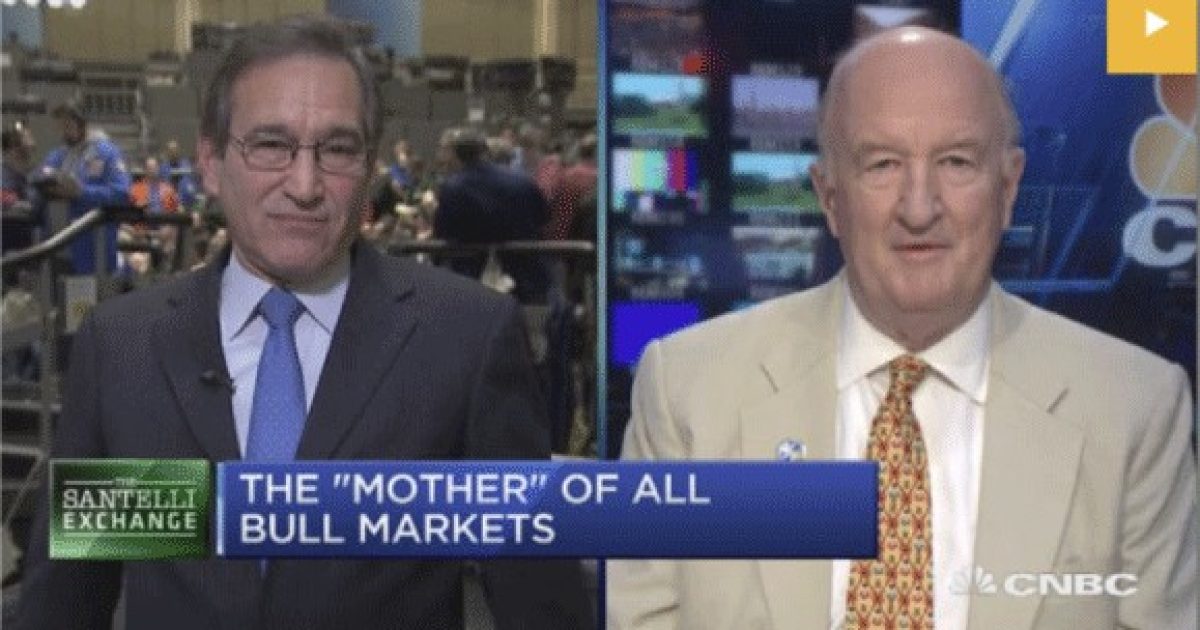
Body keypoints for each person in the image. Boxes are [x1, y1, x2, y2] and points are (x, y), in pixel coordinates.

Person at [607, 27, 1196, 630]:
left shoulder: (1135, 409)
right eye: (883, 164)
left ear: (1008, 188)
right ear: (829, 196)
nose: (919, 208)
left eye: (956, 162)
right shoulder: (687, 390)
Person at [16, 15, 591, 630]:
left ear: (368, 168)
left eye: (337, 149)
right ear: (210, 162)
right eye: (271, 145)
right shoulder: (122, 347)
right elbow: (66, 602)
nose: (305, 185)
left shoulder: (467, 339)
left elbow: (540, 604)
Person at [434, 126, 551, 302]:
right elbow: (543, 219)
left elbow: (443, 232)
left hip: (470, 278)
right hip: (527, 276)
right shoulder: (523, 181)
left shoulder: (452, 188)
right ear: (485, 151)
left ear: (456, 155)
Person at [37, 101, 132, 274]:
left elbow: (121, 193)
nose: (63, 132)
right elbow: (37, 180)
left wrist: (81, 192)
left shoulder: (107, 153)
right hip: (57, 246)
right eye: (60, 126)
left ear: (82, 123)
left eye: (67, 125)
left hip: (93, 248)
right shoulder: (57, 156)